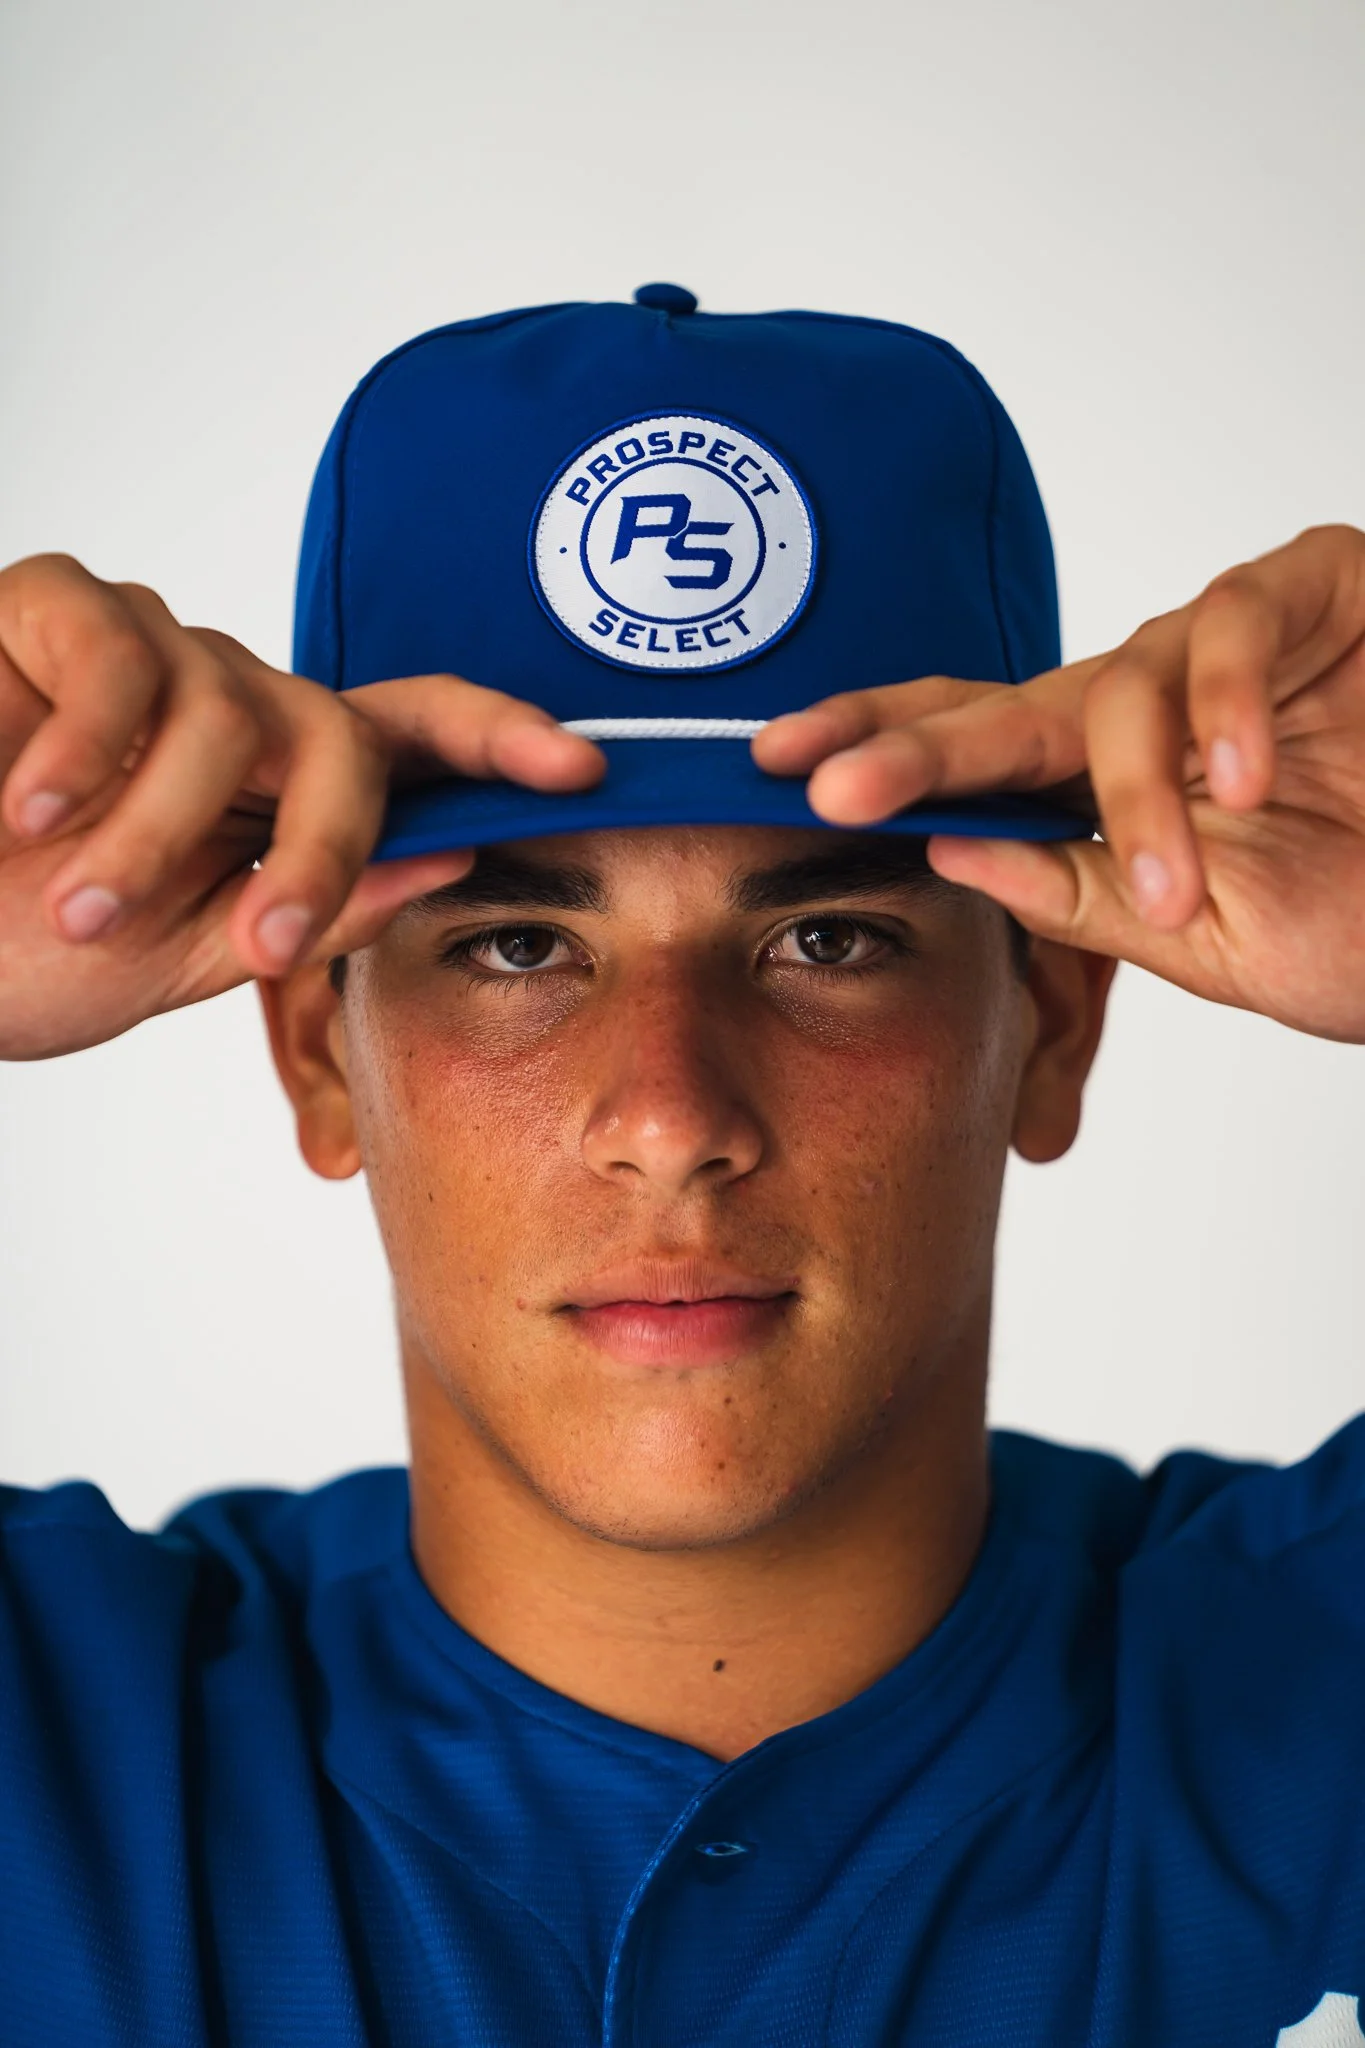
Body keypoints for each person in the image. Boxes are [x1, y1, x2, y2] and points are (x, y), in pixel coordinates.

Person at [1, 285, 1362, 2048]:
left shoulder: (1328, 1689)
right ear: (312, 1051)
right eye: (512, 949)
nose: (669, 1111)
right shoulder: (53, 1764)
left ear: (1055, 1017)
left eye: (831, 941)